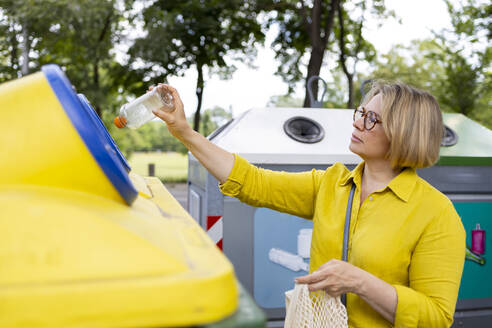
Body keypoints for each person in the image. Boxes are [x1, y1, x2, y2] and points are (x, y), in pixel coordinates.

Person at [151, 81, 466, 327]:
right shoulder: (332, 184)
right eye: (361, 113)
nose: (357, 123)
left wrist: (360, 282)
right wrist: (184, 132)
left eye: (372, 119)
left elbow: (436, 316)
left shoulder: (436, 214)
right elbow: (251, 182)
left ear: (404, 133)